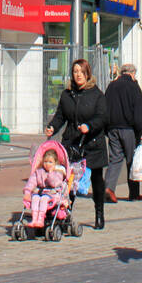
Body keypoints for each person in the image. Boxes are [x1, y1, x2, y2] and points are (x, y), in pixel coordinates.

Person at [46, 58, 109, 230]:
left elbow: (103, 117)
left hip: (92, 142)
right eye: (75, 72)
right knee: (69, 179)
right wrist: (52, 127)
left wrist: (89, 126)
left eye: (81, 72)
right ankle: (65, 213)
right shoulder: (67, 94)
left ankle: (99, 214)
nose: (78, 75)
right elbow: (60, 116)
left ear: (87, 74)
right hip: (73, 142)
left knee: (96, 179)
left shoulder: (97, 94)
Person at [104, 63, 142, 202]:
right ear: (132, 73)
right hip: (128, 129)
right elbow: (138, 110)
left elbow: (104, 106)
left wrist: (106, 127)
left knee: (115, 159)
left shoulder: (111, 86)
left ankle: (109, 188)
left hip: (112, 128)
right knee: (132, 160)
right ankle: (134, 193)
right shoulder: (133, 86)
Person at [23, 148, 67, 229]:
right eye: (45, 162)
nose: (47, 164)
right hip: (41, 192)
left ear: (55, 163)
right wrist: (27, 192)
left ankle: (41, 219)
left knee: (44, 199)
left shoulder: (58, 172)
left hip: (53, 194)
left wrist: (50, 173)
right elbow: (31, 182)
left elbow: (55, 183)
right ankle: (34, 218)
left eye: (50, 162)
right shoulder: (39, 172)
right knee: (35, 198)